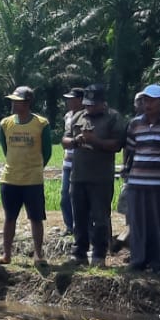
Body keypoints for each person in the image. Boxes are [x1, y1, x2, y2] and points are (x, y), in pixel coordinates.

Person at [64, 83, 125, 267]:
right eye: (87, 104)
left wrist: (94, 141)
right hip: (78, 176)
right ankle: (79, 253)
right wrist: (76, 141)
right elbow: (64, 140)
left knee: (100, 218)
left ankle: (99, 254)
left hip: (101, 178)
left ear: (102, 103)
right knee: (79, 217)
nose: (89, 108)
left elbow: (117, 145)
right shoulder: (78, 116)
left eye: (93, 104)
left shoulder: (113, 118)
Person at [123, 84, 160, 272]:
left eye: (152, 100)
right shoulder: (135, 123)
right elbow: (129, 149)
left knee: (158, 223)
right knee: (137, 222)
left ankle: (158, 261)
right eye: (145, 100)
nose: (148, 104)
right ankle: (138, 260)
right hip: (137, 181)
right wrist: (126, 173)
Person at [0, 85, 52, 265]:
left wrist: (34, 168)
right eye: (12, 101)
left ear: (27, 103)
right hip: (10, 178)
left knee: (36, 218)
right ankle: (6, 254)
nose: (13, 104)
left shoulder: (41, 124)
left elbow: (47, 151)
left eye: (17, 101)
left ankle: (38, 254)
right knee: (9, 218)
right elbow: (5, 149)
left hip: (32, 180)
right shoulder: (5, 124)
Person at [58, 87, 85, 235]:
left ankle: (80, 227)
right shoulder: (68, 116)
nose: (69, 102)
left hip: (81, 163)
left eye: (72, 99)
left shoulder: (87, 116)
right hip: (67, 162)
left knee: (77, 197)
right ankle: (69, 226)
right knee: (65, 196)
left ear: (81, 100)